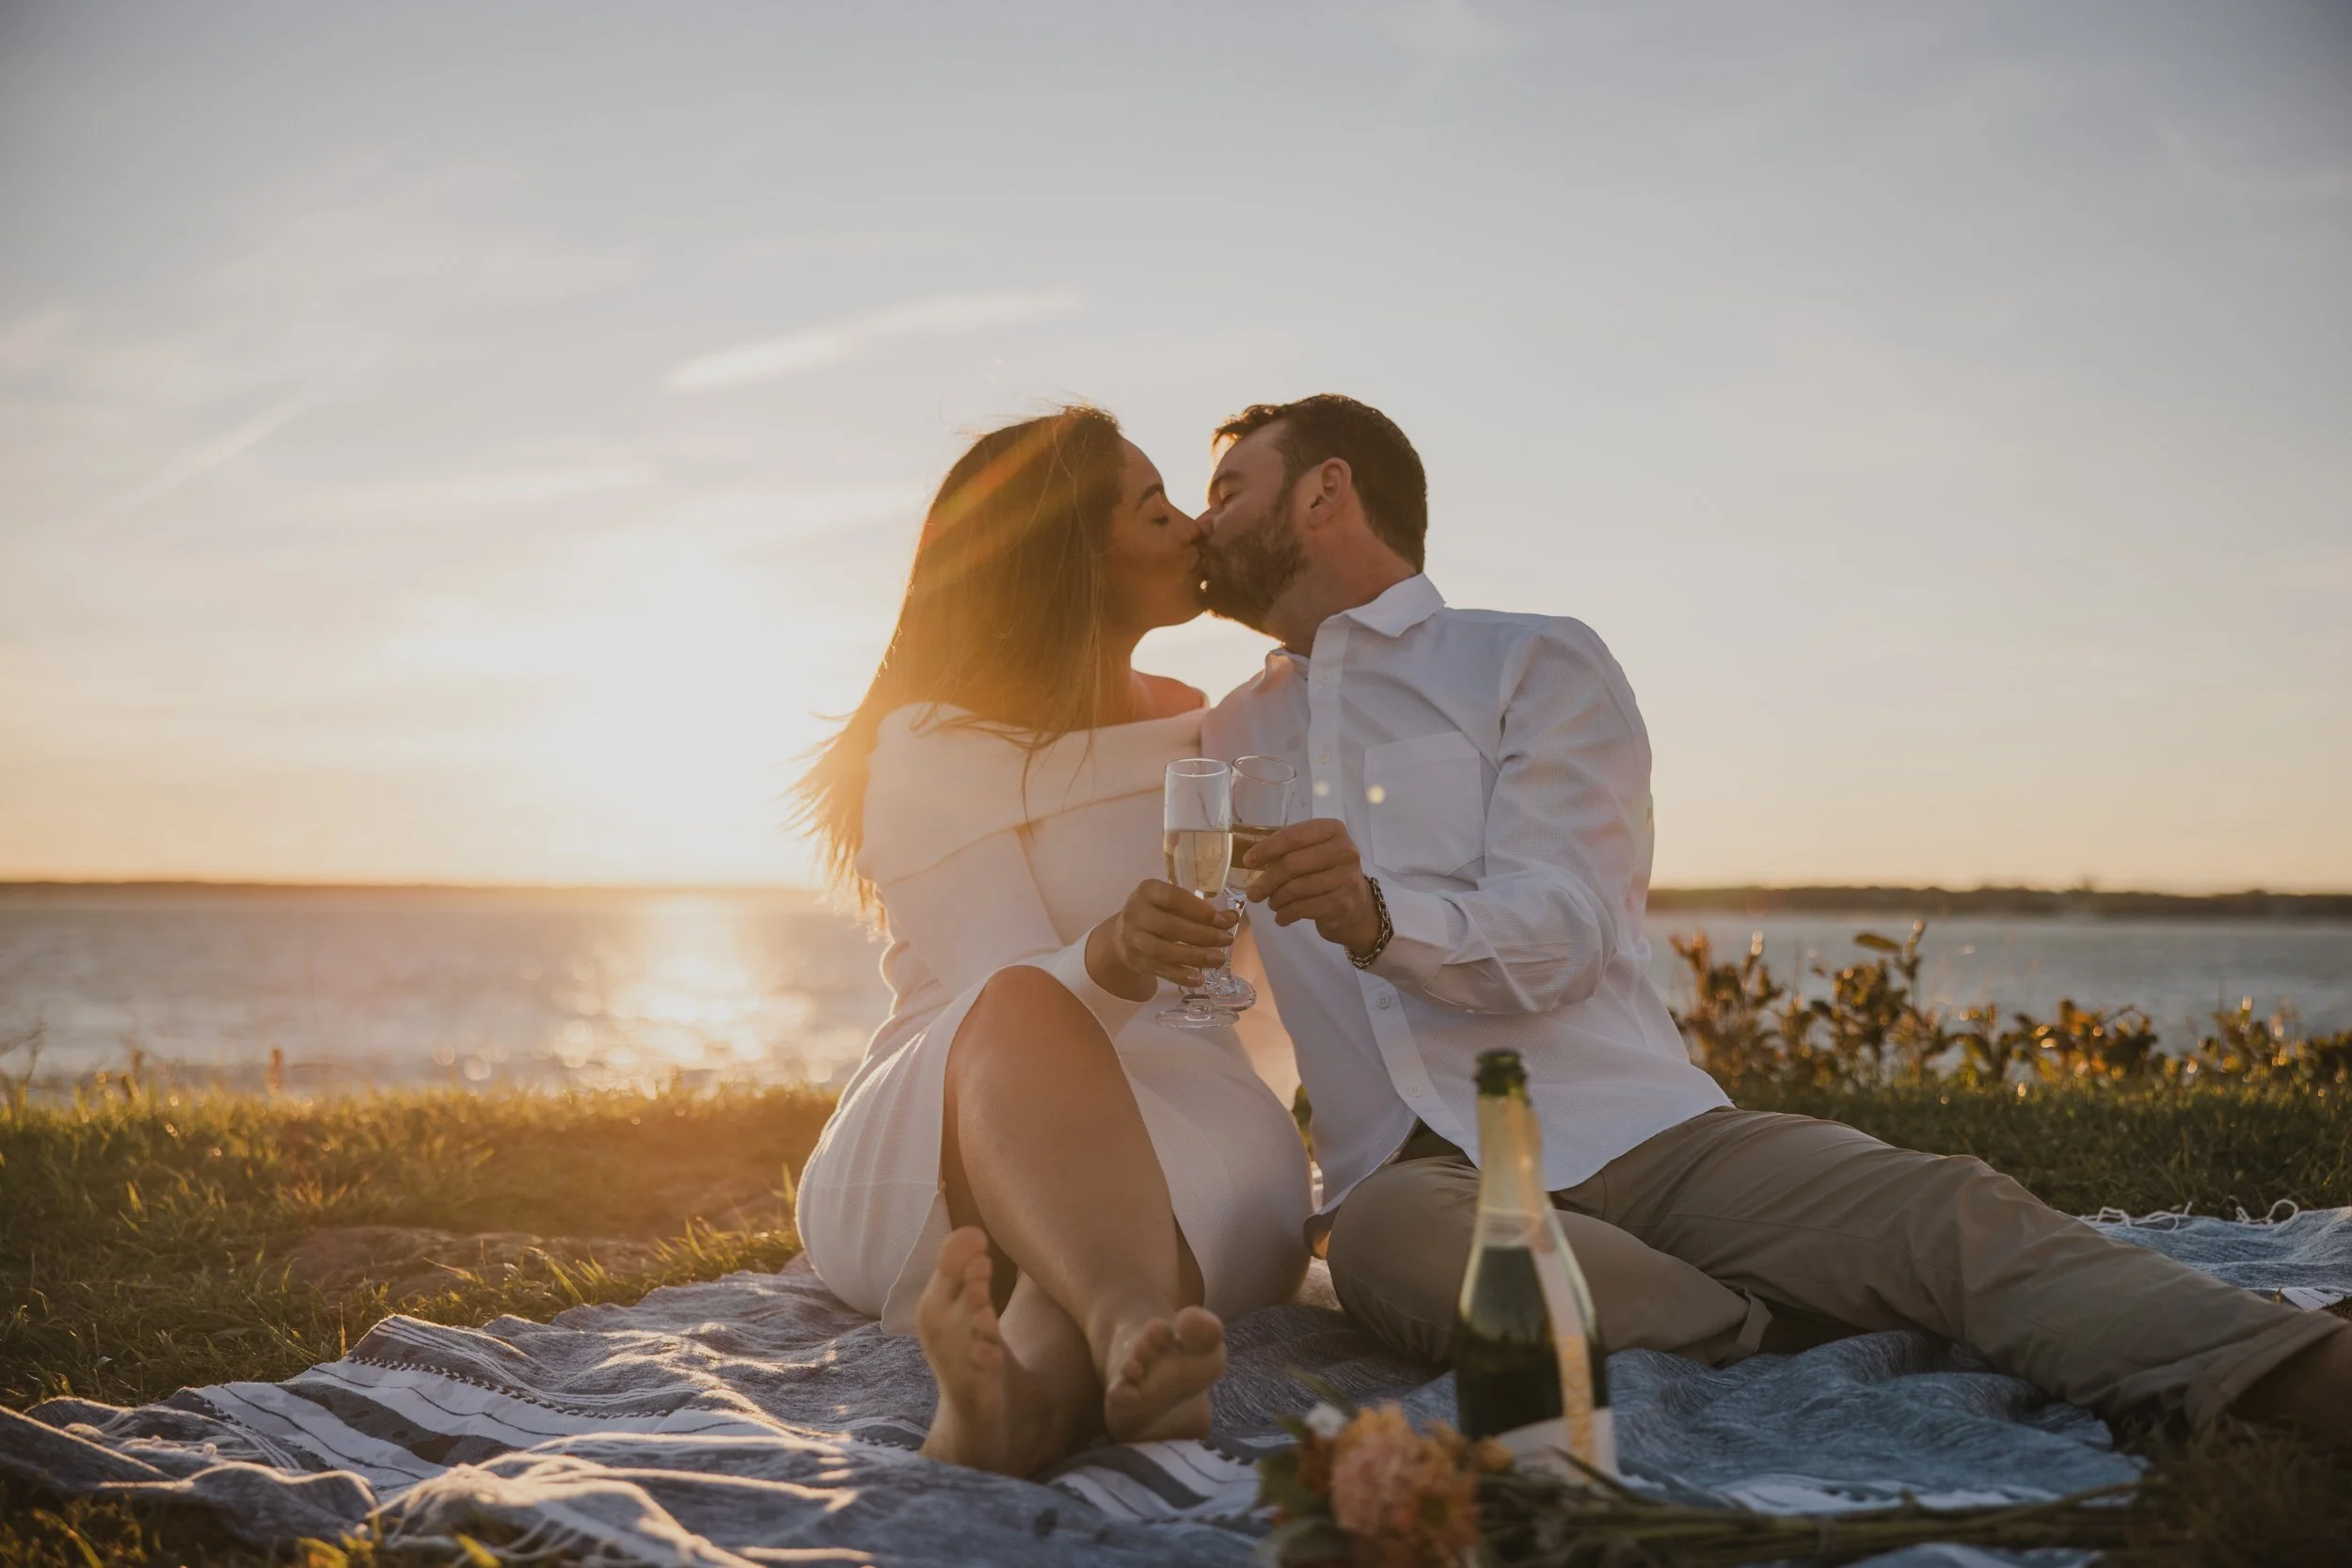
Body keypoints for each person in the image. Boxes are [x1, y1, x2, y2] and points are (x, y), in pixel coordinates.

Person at [1113, 391, 2352, 1445]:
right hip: (1416, 1179)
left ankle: (2289, 1372)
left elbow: (1574, 922)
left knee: (1945, 1207)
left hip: (1639, 1129)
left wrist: (1383, 915)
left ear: (1325, 490)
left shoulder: (1530, 660)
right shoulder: (1220, 739)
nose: (1205, 518)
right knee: (1388, 1249)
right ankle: (1768, 1320)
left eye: (1227, 485)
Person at [792, 407, 1311, 1479]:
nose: (1190, 530)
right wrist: (1114, 951)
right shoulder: (933, 747)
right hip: (962, 1111)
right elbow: (1005, 992)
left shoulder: (1214, 731)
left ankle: (1023, 1401)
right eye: (1154, 509)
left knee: (1094, 1229)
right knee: (1029, 1014)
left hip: (1193, 1112)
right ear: (1066, 553)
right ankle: (1133, 1325)